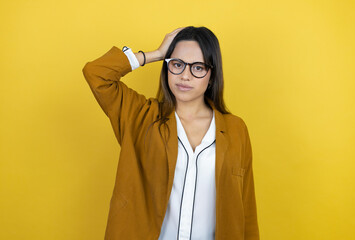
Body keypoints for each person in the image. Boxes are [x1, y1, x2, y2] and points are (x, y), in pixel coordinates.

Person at [82, 26, 259, 240]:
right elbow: (96, 74)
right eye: (177, 64)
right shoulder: (140, 117)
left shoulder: (235, 130)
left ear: (212, 75)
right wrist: (155, 54)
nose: (185, 76)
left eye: (198, 68)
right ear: (167, 67)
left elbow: (246, 208)